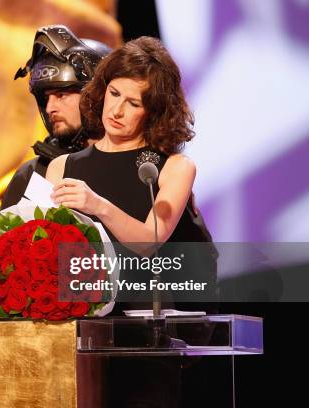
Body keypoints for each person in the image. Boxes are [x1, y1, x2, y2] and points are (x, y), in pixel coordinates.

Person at [46, 36, 218, 408]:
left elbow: (148, 240)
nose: (117, 110)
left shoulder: (174, 167)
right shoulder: (62, 167)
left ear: (153, 112)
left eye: (133, 102)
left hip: (149, 338)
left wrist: (98, 205)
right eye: (114, 93)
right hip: (82, 335)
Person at [0, 25, 111, 210]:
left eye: (61, 95)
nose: (50, 108)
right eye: (46, 99)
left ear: (97, 96)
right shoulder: (32, 174)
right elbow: (1, 239)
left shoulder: (140, 167)